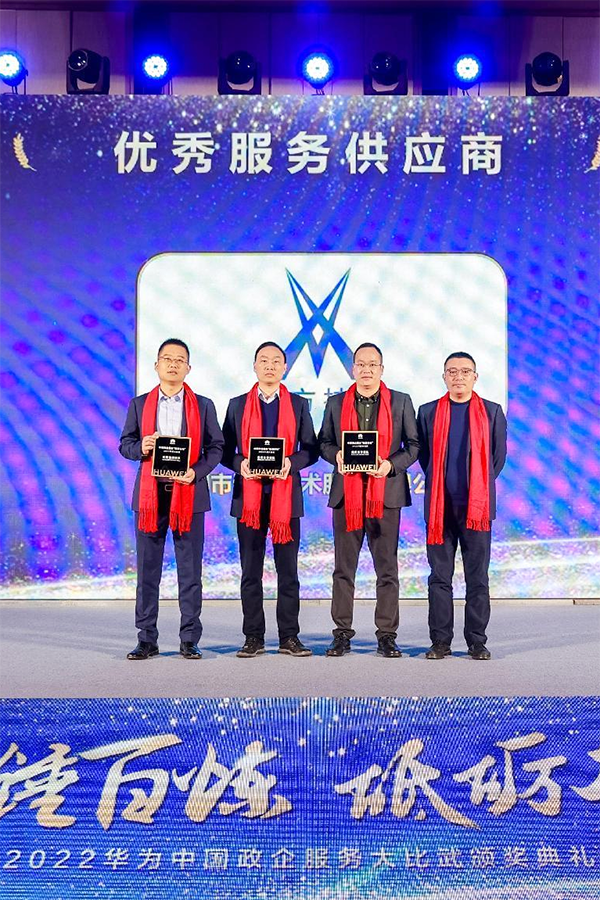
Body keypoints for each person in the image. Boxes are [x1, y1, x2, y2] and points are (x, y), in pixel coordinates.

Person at [119, 339, 224, 660]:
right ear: (157, 365)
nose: (173, 364)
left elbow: (216, 447)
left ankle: (189, 639)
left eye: (180, 360)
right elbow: (125, 444)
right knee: (147, 572)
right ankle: (146, 639)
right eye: (167, 359)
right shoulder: (139, 405)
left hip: (189, 496)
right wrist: (141, 447)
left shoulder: (203, 405)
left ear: (188, 368)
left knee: (190, 573)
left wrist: (196, 472)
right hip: (150, 500)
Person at [318, 342, 419, 658]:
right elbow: (324, 443)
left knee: (387, 570)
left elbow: (414, 446)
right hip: (346, 497)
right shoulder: (336, 403)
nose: (366, 370)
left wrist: (390, 465)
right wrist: (337, 456)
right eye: (361, 364)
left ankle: (387, 635)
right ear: (353, 369)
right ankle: (341, 634)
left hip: (385, 495)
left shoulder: (401, 402)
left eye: (372, 364)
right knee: (343, 570)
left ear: (381, 369)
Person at [222, 341, 318, 658]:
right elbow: (223, 450)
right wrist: (240, 464)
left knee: (288, 573)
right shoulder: (237, 405)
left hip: (285, 501)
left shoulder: (299, 405)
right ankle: (253, 637)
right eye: (263, 360)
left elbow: (311, 449)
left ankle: (289, 636)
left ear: (285, 368)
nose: (270, 366)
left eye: (276, 361)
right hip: (248, 501)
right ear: (255, 366)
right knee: (250, 573)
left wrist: (291, 462)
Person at [417, 352, 507, 661]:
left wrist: (477, 490)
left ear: (475, 377)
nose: (458, 376)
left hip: (477, 511)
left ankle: (476, 642)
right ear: (444, 377)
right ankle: (440, 642)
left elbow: (497, 460)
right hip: (440, 509)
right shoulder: (427, 412)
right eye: (452, 371)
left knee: (477, 578)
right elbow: (425, 459)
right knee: (439, 578)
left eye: (465, 371)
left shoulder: (492, 412)